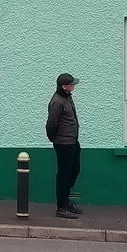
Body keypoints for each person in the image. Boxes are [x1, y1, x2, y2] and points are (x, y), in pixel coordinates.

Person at [46, 72, 84, 219]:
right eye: (71, 84)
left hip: (72, 141)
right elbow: (51, 123)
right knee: (64, 174)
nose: (73, 86)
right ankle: (61, 207)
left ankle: (66, 200)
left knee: (75, 170)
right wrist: (54, 138)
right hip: (63, 143)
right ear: (64, 86)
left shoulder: (67, 97)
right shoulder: (57, 101)